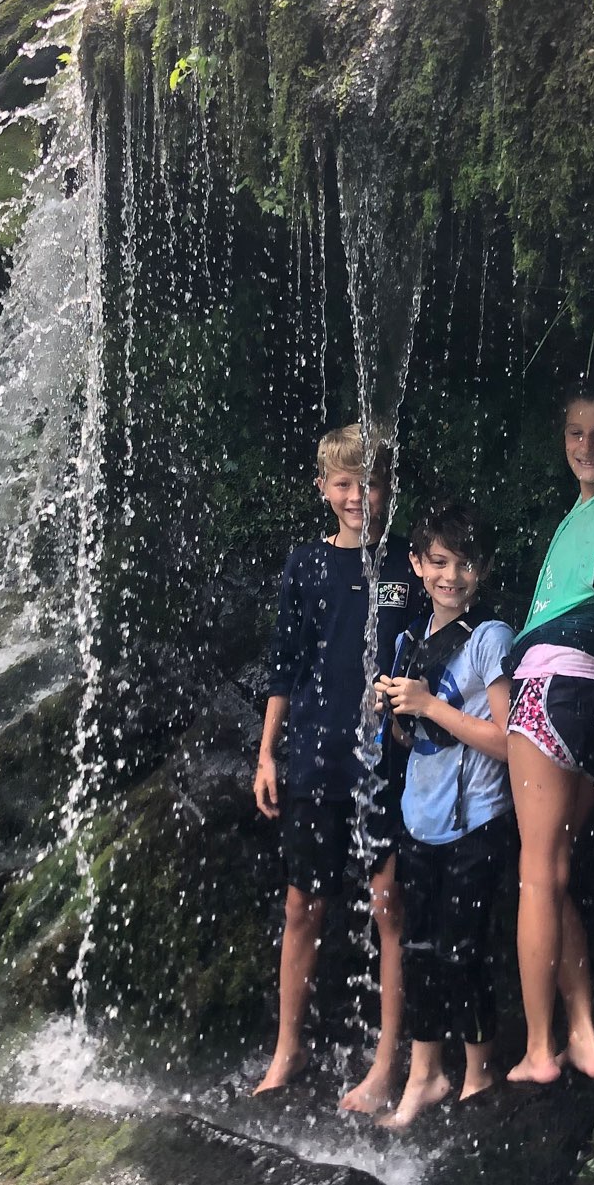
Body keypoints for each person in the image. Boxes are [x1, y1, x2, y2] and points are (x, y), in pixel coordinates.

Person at [253, 424, 419, 1108]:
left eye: (369, 485)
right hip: (317, 753)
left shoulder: (409, 566)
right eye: (344, 484)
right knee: (303, 902)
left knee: (388, 903)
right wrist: (266, 753)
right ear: (323, 488)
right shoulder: (307, 565)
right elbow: (284, 664)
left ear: (387, 490)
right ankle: (287, 1049)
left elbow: (430, 650)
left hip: (385, 757)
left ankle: (386, 1063)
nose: (357, 497)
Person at [503, 384, 594, 1086]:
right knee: (556, 870)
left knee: (536, 872)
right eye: (574, 432)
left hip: (556, 684)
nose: (586, 447)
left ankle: (540, 1048)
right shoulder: (584, 511)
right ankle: (584, 1034)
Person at [374, 503, 514, 1128]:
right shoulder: (408, 642)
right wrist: (397, 712)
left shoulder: (490, 639)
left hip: (477, 820)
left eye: (464, 564)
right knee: (420, 950)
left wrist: (429, 704)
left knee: (464, 951)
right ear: (416, 564)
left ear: (482, 570)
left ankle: (478, 1075)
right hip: (420, 819)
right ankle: (424, 1074)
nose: (451, 577)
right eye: (438, 562)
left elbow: (509, 742)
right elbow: (412, 740)